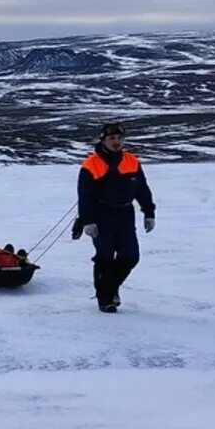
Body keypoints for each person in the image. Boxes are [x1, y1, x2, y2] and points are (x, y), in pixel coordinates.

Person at [76, 122, 156, 313]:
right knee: (104, 257)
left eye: (120, 138)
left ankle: (111, 288)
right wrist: (87, 220)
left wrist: (149, 212)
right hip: (101, 215)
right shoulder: (91, 164)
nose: (116, 142)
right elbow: (84, 195)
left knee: (131, 256)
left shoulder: (132, 161)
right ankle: (105, 299)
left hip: (125, 214)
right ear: (103, 139)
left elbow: (142, 189)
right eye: (112, 138)